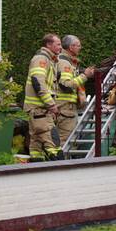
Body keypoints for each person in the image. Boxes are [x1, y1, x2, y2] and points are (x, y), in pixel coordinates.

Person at [22, 33, 63, 161]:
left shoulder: (48, 60)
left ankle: (37, 174)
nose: (60, 47)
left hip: (36, 111)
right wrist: (51, 104)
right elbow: (38, 82)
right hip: (41, 110)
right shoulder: (41, 59)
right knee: (54, 145)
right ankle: (61, 175)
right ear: (48, 45)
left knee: (36, 146)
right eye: (58, 44)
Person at [54, 35, 95, 149]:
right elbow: (66, 84)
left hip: (64, 108)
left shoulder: (66, 62)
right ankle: (63, 165)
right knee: (66, 142)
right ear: (71, 47)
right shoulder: (65, 63)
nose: (80, 47)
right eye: (78, 45)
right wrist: (85, 76)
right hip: (65, 108)